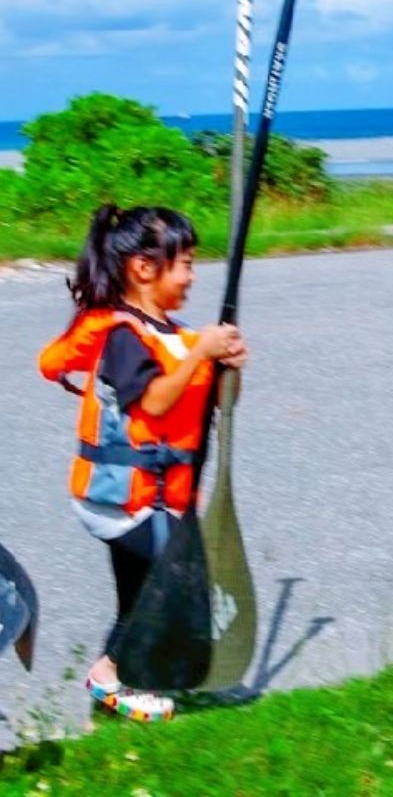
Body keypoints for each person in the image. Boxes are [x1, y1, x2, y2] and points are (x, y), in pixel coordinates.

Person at [39, 205, 247, 723]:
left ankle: (151, 678)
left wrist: (227, 366)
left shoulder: (171, 333)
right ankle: (108, 675)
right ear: (143, 269)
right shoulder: (123, 335)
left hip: (152, 496)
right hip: (121, 500)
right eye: (186, 264)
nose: (193, 277)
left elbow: (217, 405)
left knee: (142, 592)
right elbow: (152, 404)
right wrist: (201, 352)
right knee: (172, 583)